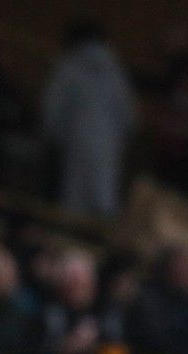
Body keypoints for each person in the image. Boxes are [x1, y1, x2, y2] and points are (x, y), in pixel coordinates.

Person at [40, 20, 135, 219]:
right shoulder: (114, 69)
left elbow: (51, 105)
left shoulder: (69, 64)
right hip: (109, 143)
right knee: (105, 196)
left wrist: (54, 136)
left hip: (76, 138)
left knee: (74, 199)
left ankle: (70, 243)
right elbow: (128, 113)